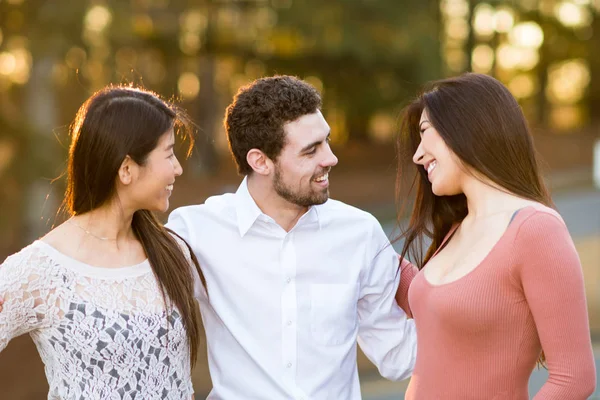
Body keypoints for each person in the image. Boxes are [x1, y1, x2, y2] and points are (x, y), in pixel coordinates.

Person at [166, 75, 417, 399]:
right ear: (260, 161)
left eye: (326, 141)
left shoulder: (360, 233)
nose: (330, 158)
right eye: (311, 150)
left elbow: (398, 355)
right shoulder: (195, 231)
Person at [394, 72, 596, 399]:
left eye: (424, 132)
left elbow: (574, 378)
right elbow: (440, 308)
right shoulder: (459, 227)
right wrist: (361, 240)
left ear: (465, 127)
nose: (417, 155)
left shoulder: (535, 229)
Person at [0, 86, 205, 399]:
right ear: (126, 170)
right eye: (168, 154)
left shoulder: (172, 253)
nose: (177, 168)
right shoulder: (40, 271)